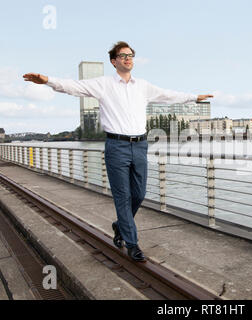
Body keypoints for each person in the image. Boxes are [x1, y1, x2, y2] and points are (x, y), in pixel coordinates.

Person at [23, 41, 213, 262]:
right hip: (117, 147)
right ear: (114, 61)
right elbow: (74, 86)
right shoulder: (103, 84)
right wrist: (47, 80)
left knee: (139, 195)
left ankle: (119, 226)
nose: (128, 58)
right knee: (122, 197)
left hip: (140, 146)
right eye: (123, 56)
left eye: (130, 55)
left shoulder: (142, 86)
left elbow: (168, 95)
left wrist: (194, 97)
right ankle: (132, 244)